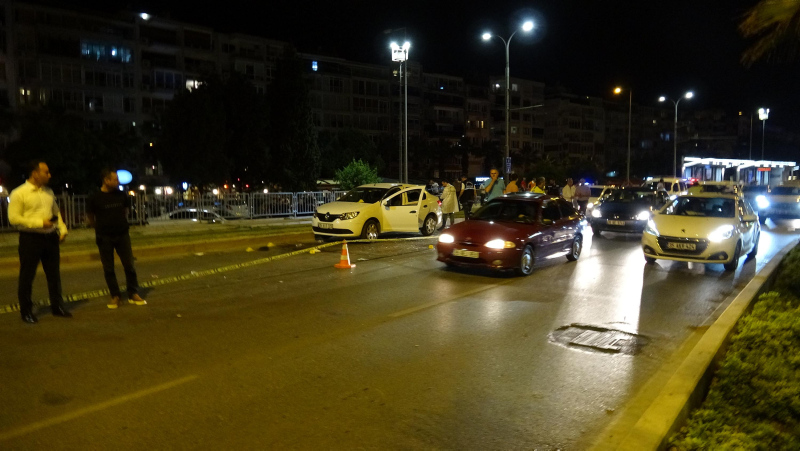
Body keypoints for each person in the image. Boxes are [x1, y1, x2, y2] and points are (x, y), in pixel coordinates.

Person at [8, 160, 71, 324]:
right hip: (30, 239)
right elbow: (13, 218)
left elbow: (56, 213)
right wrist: (39, 223)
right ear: (35, 173)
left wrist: (62, 229)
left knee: (54, 275)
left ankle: (57, 306)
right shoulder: (19, 193)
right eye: (46, 172)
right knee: (27, 276)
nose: (49, 175)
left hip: (50, 238)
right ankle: (26, 311)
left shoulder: (48, 192)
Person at [87, 168, 147, 309]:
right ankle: (115, 295)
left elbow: (125, 211)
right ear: (106, 180)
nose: (118, 182)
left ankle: (133, 292)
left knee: (129, 265)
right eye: (115, 179)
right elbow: (90, 217)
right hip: (104, 236)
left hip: (122, 234)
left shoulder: (121, 195)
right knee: (108, 268)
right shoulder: (95, 197)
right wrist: (98, 227)